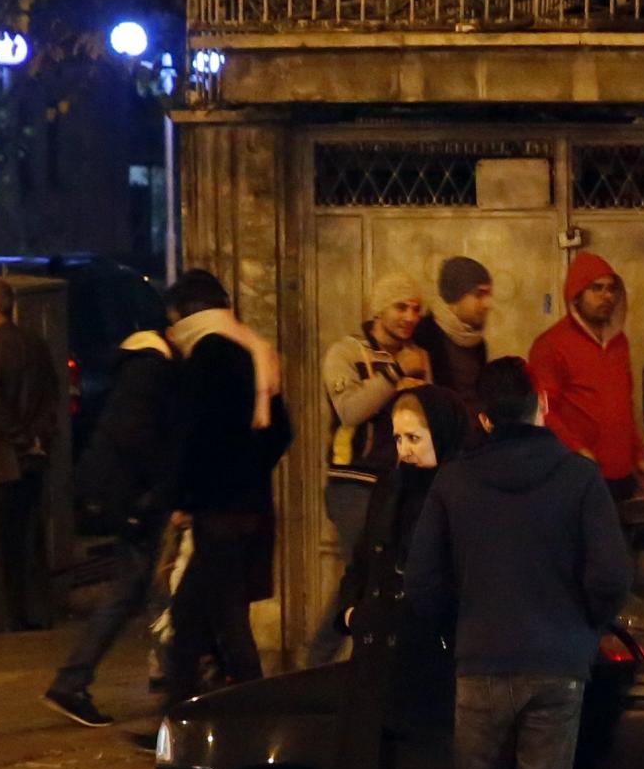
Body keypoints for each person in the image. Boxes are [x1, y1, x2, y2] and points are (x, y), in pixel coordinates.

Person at [408, 356, 630, 769]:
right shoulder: (579, 479)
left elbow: (423, 583)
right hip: (555, 665)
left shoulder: (454, 483)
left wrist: (463, 626)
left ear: (482, 415)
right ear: (542, 405)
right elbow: (611, 576)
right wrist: (581, 627)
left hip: (478, 665)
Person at [327, 385, 476, 769]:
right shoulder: (392, 487)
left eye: (416, 438)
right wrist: (350, 609)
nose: (405, 449)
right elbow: (363, 561)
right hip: (380, 664)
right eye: (399, 438)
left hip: (432, 664)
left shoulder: (460, 492)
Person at [165, 271, 293, 708]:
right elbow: (282, 432)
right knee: (189, 614)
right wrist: (250, 467)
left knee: (226, 617)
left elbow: (189, 437)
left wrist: (182, 497)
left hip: (216, 508)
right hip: (251, 505)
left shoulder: (203, 359)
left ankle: (257, 709)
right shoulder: (254, 354)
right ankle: (179, 711)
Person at [43, 326, 181, 725]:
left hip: (126, 497)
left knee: (140, 588)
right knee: (144, 588)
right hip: (134, 500)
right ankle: (75, 682)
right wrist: (159, 489)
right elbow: (137, 437)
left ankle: (75, 682)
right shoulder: (151, 370)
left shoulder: (140, 366)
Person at [312, 273, 430, 667]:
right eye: (401, 307)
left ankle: (355, 660)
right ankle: (326, 660)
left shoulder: (417, 354)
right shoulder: (346, 353)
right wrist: (395, 374)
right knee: (367, 575)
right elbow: (350, 409)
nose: (410, 316)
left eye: (416, 308)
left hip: (398, 483)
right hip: (354, 483)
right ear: (380, 309)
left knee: (376, 576)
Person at [0, 278, 60, 637]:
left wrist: (18, 436)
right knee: (27, 538)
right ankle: (35, 610)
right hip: (31, 457)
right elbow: (52, 394)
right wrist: (37, 437)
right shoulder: (34, 343)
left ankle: (0, 617)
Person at [529, 252, 644, 501]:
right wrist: (576, 450)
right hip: (576, 473)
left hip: (620, 475)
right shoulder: (551, 345)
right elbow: (544, 410)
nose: (606, 296)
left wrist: (637, 455)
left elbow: (624, 405)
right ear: (577, 293)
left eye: (611, 289)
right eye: (596, 288)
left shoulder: (620, 343)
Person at [417, 256, 493, 405]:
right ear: (455, 297)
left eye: (488, 295)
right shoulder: (423, 335)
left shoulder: (477, 342)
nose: (487, 304)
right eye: (479, 295)